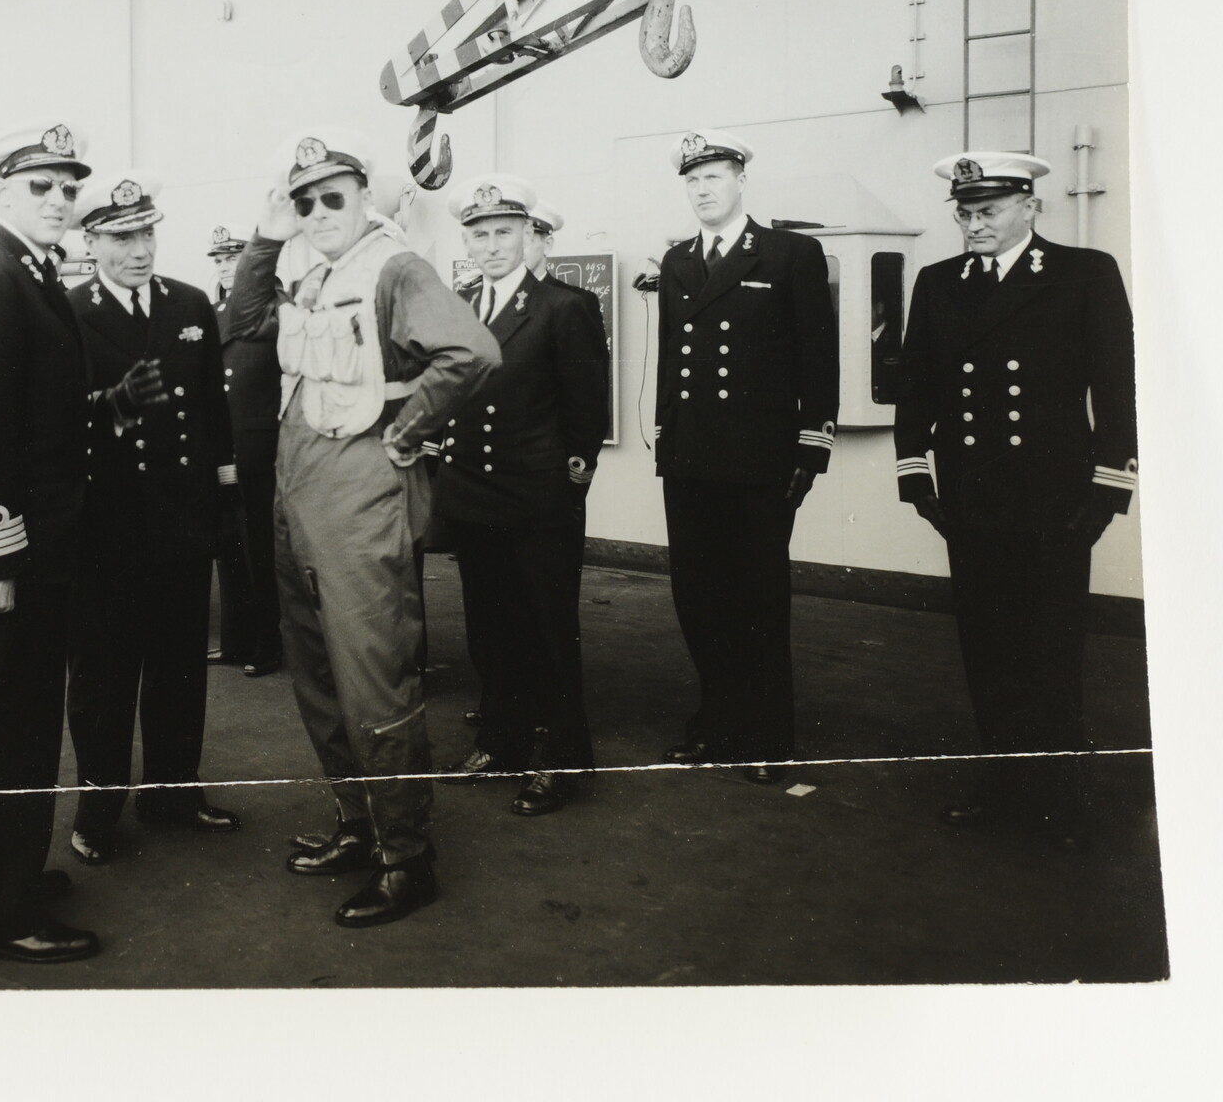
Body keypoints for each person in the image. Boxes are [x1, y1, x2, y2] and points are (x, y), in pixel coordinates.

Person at [234, 128, 498, 928]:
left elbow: (472, 353)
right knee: (315, 674)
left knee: (373, 677)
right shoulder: (310, 270)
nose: (316, 211)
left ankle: (406, 855)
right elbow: (242, 320)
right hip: (298, 488)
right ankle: (359, 822)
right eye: (303, 199)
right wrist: (267, 233)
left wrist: (408, 430)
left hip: (359, 495)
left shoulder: (395, 266)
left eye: (331, 198)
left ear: (363, 198)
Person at [894, 151, 1138, 851]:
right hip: (971, 500)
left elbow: (1116, 387)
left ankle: (1060, 795)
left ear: (1030, 207)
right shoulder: (940, 283)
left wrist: (1108, 489)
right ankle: (1004, 783)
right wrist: (917, 476)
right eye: (965, 214)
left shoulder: (1082, 274)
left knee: (1051, 649)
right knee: (987, 649)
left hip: (1053, 501)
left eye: (989, 211)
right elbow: (917, 386)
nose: (974, 225)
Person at [0, 120, 112, 964]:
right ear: (3, 193)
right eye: (40, 186)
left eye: (69, 187)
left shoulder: (25, 271)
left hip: (43, 545)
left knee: (28, 722)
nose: (59, 200)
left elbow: (38, 411)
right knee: (6, 730)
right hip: (10, 552)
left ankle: (12, 876)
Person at [63, 172, 243, 866]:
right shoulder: (68, 311)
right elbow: (49, 423)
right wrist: (109, 404)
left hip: (179, 522)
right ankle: (98, 808)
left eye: (146, 233)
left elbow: (213, 416)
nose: (139, 249)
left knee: (179, 668)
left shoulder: (191, 304)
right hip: (106, 529)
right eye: (121, 236)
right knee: (104, 675)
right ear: (93, 241)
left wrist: (222, 500)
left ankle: (173, 793)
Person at [653, 129, 838, 783]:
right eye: (692, 180)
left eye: (714, 177)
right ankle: (718, 723)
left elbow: (819, 356)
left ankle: (767, 737)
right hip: (691, 458)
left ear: (740, 181)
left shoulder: (789, 254)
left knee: (757, 600)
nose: (702, 190)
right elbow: (672, 357)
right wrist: (664, 437)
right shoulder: (679, 261)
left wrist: (812, 447)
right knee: (698, 597)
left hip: (760, 461)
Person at [429, 175, 609, 815]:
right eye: (479, 234)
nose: (491, 245)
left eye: (503, 231)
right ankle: (501, 743)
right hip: (473, 497)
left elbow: (588, 415)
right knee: (489, 629)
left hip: (535, 499)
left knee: (548, 632)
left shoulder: (565, 306)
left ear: (528, 234)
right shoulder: (461, 302)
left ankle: (563, 760)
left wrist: (568, 490)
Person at [212, 225, 285, 679]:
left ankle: (268, 644)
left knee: (262, 551)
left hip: (262, 450)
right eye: (217, 260)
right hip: (223, 449)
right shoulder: (213, 310)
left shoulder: (279, 310)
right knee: (229, 548)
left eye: (232, 259)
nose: (223, 266)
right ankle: (236, 641)